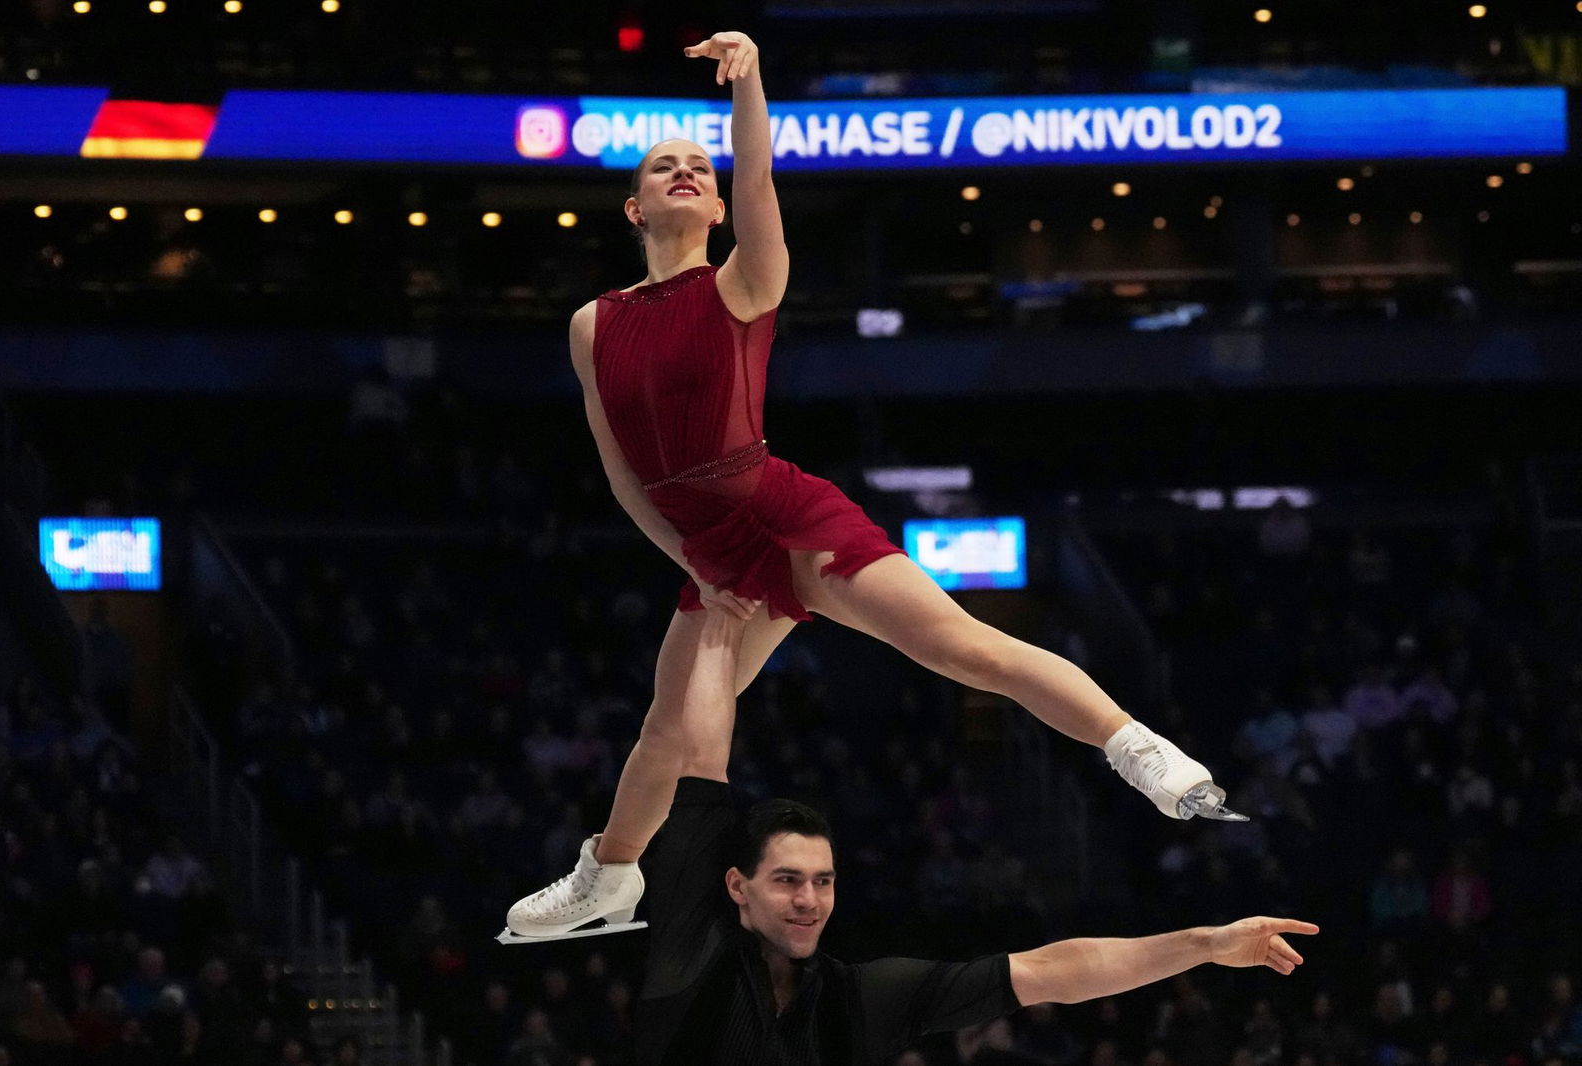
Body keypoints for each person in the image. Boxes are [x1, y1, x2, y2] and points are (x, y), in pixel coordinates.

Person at [505, 31, 1238, 940]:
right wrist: (696, 564)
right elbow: (623, 472)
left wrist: (749, 84)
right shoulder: (592, 324)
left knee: (958, 647)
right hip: (709, 549)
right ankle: (608, 881)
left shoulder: (745, 279)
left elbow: (760, 179)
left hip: (784, 511)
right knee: (668, 729)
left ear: (722, 207)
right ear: (634, 206)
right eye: (665, 165)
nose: (686, 170)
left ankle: (1141, 751)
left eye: (700, 166)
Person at [626, 624, 1316, 1064]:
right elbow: (700, 759)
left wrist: (1205, 944)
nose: (809, 899)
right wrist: (716, 613)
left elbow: (1055, 972)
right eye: (786, 880)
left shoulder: (859, 1001)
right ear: (737, 886)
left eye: (823, 880)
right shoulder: (690, 954)